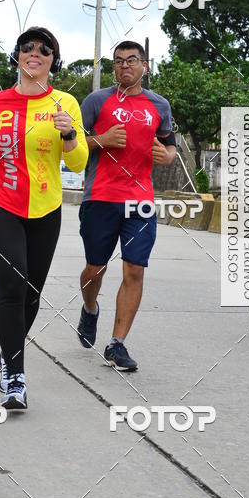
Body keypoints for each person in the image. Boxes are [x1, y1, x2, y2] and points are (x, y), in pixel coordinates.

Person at [0, 27, 88, 410]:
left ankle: (7, 353)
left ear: (54, 59)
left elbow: (79, 161)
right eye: (27, 48)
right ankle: (15, 377)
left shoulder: (65, 102)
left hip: (46, 209)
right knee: (13, 286)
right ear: (17, 56)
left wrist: (68, 135)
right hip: (0, 203)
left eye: (44, 49)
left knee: (32, 292)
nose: (35, 53)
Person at [77, 40, 177, 371]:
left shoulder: (159, 105)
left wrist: (167, 155)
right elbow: (72, 146)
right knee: (96, 268)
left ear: (144, 66)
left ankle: (116, 344)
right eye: (118, 61)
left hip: (140, 200)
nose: (124, 66)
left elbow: (170, 146)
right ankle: (90, 309)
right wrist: (100, 141)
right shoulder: (96, 101)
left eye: (131, 60)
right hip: (100, 196)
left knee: (134, 269)